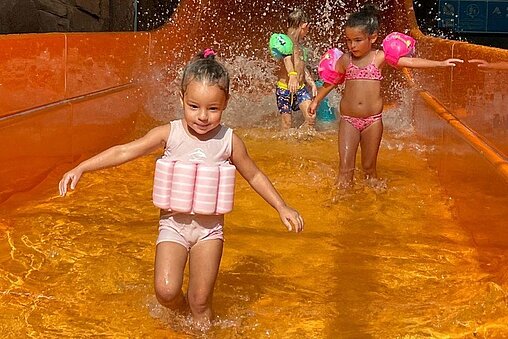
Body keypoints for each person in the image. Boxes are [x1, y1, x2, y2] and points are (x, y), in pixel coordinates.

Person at [58, 49, 304, 330]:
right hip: (173, 227)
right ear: (181, 99)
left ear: (226, 103)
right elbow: (125, 151)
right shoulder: (169, 134)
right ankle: (179, 315)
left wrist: (281, 206)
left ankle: (199, 325)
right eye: (193, 106)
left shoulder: (229, 141)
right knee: (165, 292)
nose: (202, 116)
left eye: (213, 108)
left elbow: (255, 175)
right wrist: (82, 167)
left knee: (200, 302)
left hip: (209, 232)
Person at [309, 3, 463, 189]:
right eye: (348, 40)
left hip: (372, 121)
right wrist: (316, 101)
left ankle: (375, 205)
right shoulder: (345, 60)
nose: (352, 45)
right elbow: (331, 81)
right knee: (345, 169)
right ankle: (341, 204)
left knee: (369, 168)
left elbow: (410, 61)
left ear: (372, 37)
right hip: (349, 120)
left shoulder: (380, 57)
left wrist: (440, 64)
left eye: (357, 40)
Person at [270, 8, 317, 130]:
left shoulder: (300, 46)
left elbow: (302, 67)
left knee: (310, 117)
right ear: (304, 26)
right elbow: (287, 60)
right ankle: (286, 147)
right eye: (307, 28)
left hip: (300, 88)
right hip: (285, 88)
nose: (307, 31)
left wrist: (311, 83)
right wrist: (292, 76)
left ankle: (302, 140)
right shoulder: (284, 42)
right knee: (287, 123)